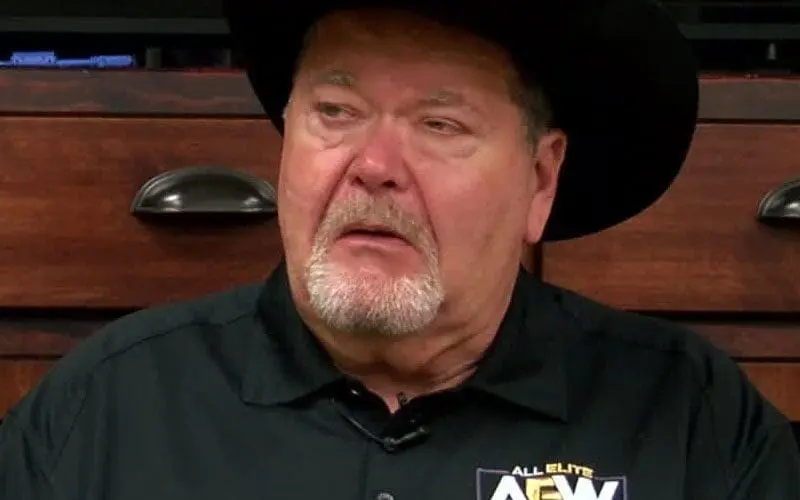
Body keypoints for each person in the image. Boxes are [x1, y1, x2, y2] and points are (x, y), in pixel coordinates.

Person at [2, 0, 799, 498]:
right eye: (336, 111)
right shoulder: (103, 415)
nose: (374, 166)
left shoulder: (692, 423)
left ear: (540, 178)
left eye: (439, 125)